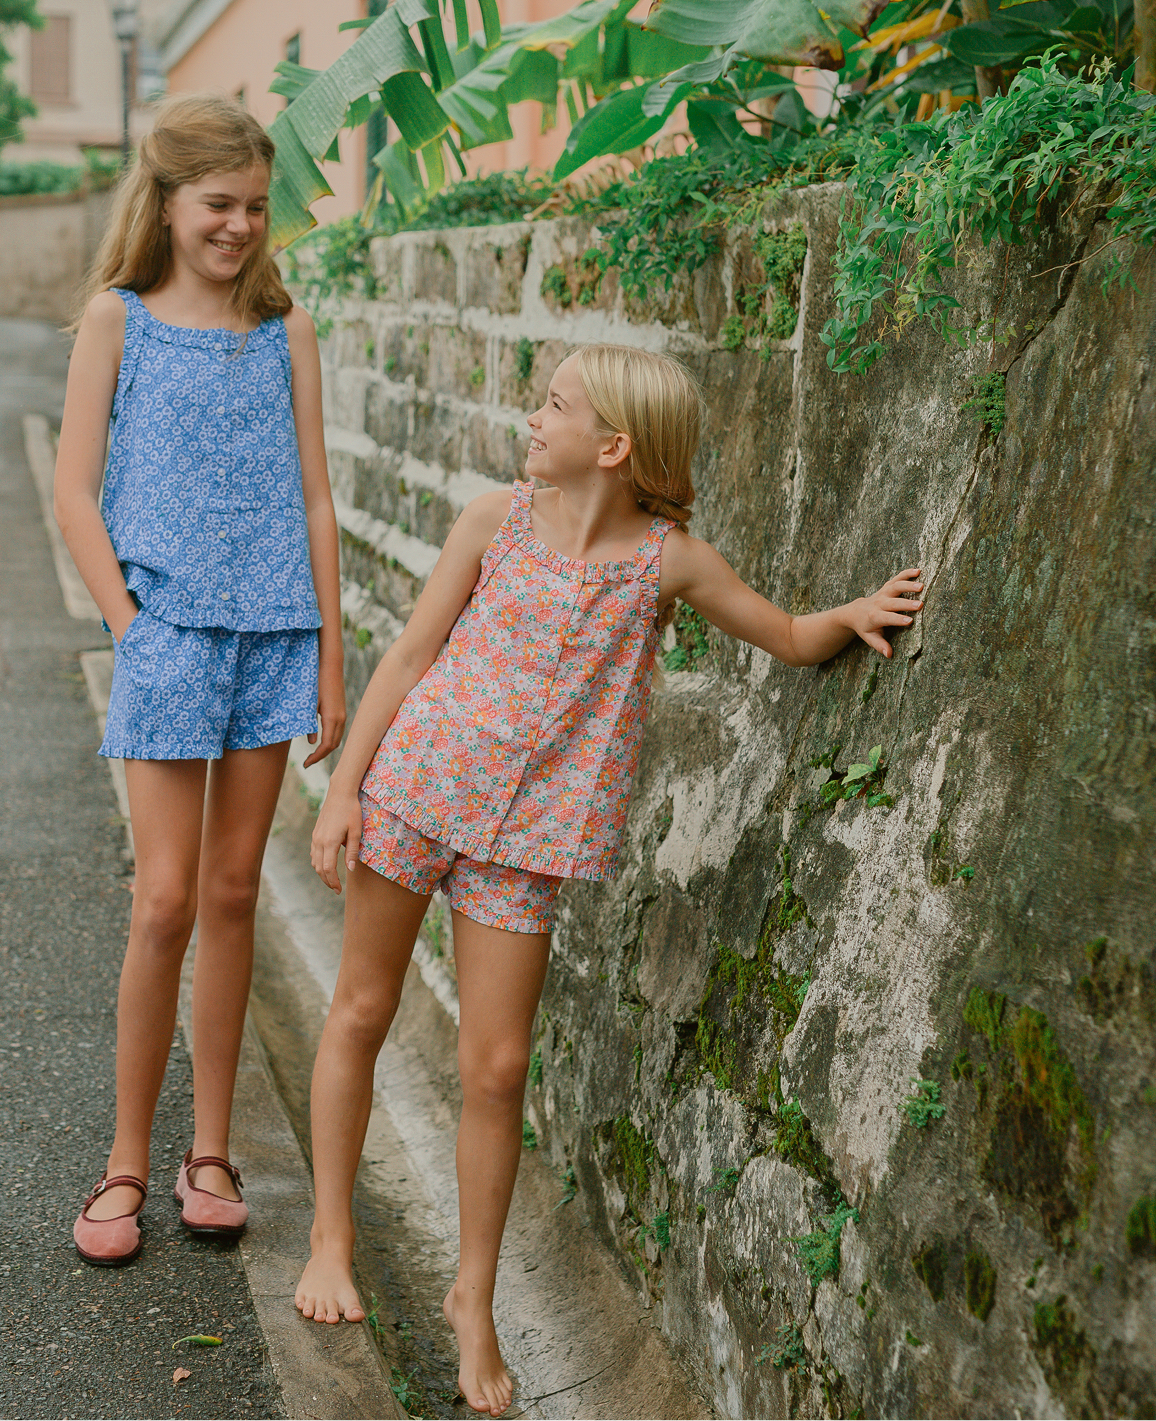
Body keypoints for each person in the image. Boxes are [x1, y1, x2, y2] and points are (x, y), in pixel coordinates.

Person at [294, 343, 924, 1415]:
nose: (532, 418)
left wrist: (849, 614)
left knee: (496, 1069)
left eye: (554, 405)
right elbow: (408, 654)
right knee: (361, 1006)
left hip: (530, 838)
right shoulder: (491, 520)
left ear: (613, 445)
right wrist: (346, 786)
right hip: (417, 787)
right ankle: (330, 1236)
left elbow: (779, 632)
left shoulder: (667, 560)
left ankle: (473, 1297)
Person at [54, 93, 345, 1267]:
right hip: (170, 634)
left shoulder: (287, 329)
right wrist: (129, 623)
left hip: (274, 634)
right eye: (218, 205)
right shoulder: (114, 320)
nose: (239, 228)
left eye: (256, 209)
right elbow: (76, 488)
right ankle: (128, 1156)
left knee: (235, 897)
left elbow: (318, 496)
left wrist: (331, 654)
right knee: (164, 898)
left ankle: (210, 1151)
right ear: (167, 203)